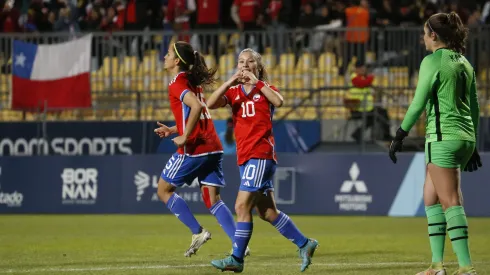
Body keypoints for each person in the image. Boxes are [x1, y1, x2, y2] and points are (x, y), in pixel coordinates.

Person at [207, 48, 318, 273]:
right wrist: (229, 82)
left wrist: (257, 83)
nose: (245, 65)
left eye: (249, 62)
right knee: (267, 212)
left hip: (261, 154)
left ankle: (236, 259)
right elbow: (209, 103)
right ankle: (305, 244)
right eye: (241, 62)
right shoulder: (235, 92)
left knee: (240, 205)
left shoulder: (265, 90)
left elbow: (279, 101)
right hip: (246, 158)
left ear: (258, 66)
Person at [389, 12, 481, 275]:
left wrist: (400, 134)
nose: (423, 38)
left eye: (424, 33)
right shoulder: (464, 62)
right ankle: (437, 266)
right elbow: (474, 107)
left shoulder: (433, 61)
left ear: (433, 36)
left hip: (442, 137)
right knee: (430, 197)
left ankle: (465, 267)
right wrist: (472, 143)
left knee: (450, 201)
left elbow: (418, 103)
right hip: (463, 137)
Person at [154, 41, 249, 258]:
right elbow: (195, 113)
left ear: (177, 60)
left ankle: (197, 232)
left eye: (168, 54)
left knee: (163, 190)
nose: (165, 57)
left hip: (195, 147)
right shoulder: (191, 81)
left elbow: (196, 107)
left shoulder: (177, 83)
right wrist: (173, 129)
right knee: (213, 200)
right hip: (213, 147)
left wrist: (184, 136)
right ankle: (239, 244)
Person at [346, 60, 392, 142]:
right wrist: (371, 77)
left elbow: (369, 86)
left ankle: (358, 133)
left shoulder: (363, 78)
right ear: (356, 69)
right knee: (376, 115)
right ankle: (385, 135)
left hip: (365, 108)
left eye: (364, 68)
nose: (363, 70)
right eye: (361, 68)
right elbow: (362, 84)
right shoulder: (354, 77)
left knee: (382, 113)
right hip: (357, 108)